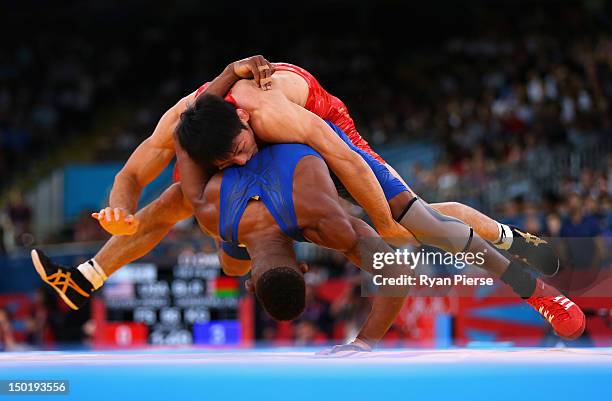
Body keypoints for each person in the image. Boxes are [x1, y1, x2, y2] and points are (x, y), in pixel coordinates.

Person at [32, 56, 557, 308]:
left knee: (408, 222)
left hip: (324, 123)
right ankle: (86, 276)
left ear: (241, 125)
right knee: (176, 199)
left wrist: (383, 223)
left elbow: (344, 161)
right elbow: (129, 174)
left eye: (236, 152)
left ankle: (511, 239)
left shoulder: (270, 114)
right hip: (240, 125)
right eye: (224, 161)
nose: (236, 165)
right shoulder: (184, 123)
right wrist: (118, 208)